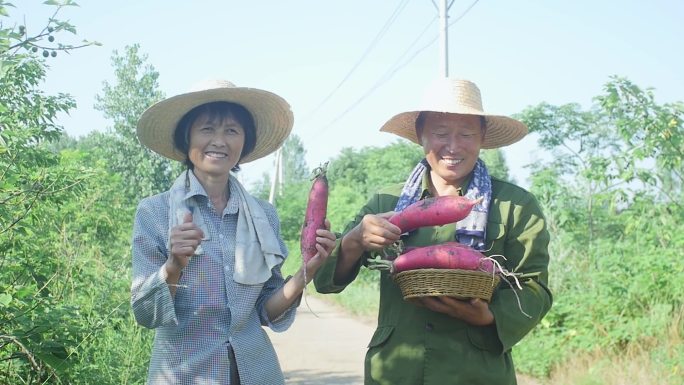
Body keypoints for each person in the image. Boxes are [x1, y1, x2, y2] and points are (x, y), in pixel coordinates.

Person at [314, 78, 552, 385]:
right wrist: (353, 241)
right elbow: (325, 281)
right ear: (420, 135)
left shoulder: (515, 205)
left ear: (482, 137)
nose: (453, 147)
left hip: (475, 372)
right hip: (395, 371)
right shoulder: (386, 201)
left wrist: (490, 317)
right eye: (440, 134)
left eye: (466, 134)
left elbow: (536, 289)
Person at [131, 80, 336, 385]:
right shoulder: (155, 213)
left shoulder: (263, 216)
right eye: (207, 129)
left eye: (231, 130)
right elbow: (146, 314)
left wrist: (309, 269)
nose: (219, 140)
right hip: (183, 374)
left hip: (255, 372)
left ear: (245, 142)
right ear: (187, 137)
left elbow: (266, 311)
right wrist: (173, 266)